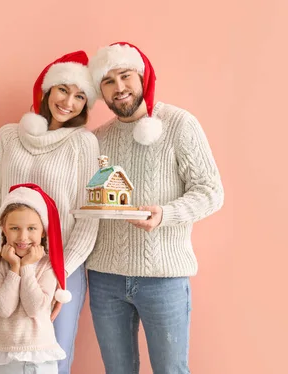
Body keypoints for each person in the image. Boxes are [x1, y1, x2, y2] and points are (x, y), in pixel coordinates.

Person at [82, 41, 225, 374]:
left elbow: (211, 191)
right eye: (108, 81)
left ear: (142, 76)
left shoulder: (179, 124)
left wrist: (166, 214)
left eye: (125, 76)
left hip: (164, 278)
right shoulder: (96, 138)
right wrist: (12, 160)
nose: (119, 88)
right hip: (105, 278)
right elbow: (66, 178)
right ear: (100, 91)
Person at [0, 51, 100, 374]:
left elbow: (89, 217)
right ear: (47, 90)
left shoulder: (83, 144)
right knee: (10, 352)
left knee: (51, 359)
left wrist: (62, 272)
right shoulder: (8, 135)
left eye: (79, 97)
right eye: (63, 89)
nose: (68, 102)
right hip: (10, 261)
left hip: (59, 267)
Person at [0, 183, 72, 374]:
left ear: (43, 231)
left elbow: (34, 308)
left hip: (40, 356)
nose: (23, 237)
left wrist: (27, 267)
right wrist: (14, 268)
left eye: (31, 228)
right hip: (5, 358)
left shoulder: (47, 265)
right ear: (3, 229)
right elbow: (3, 309)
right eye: (14, 228)